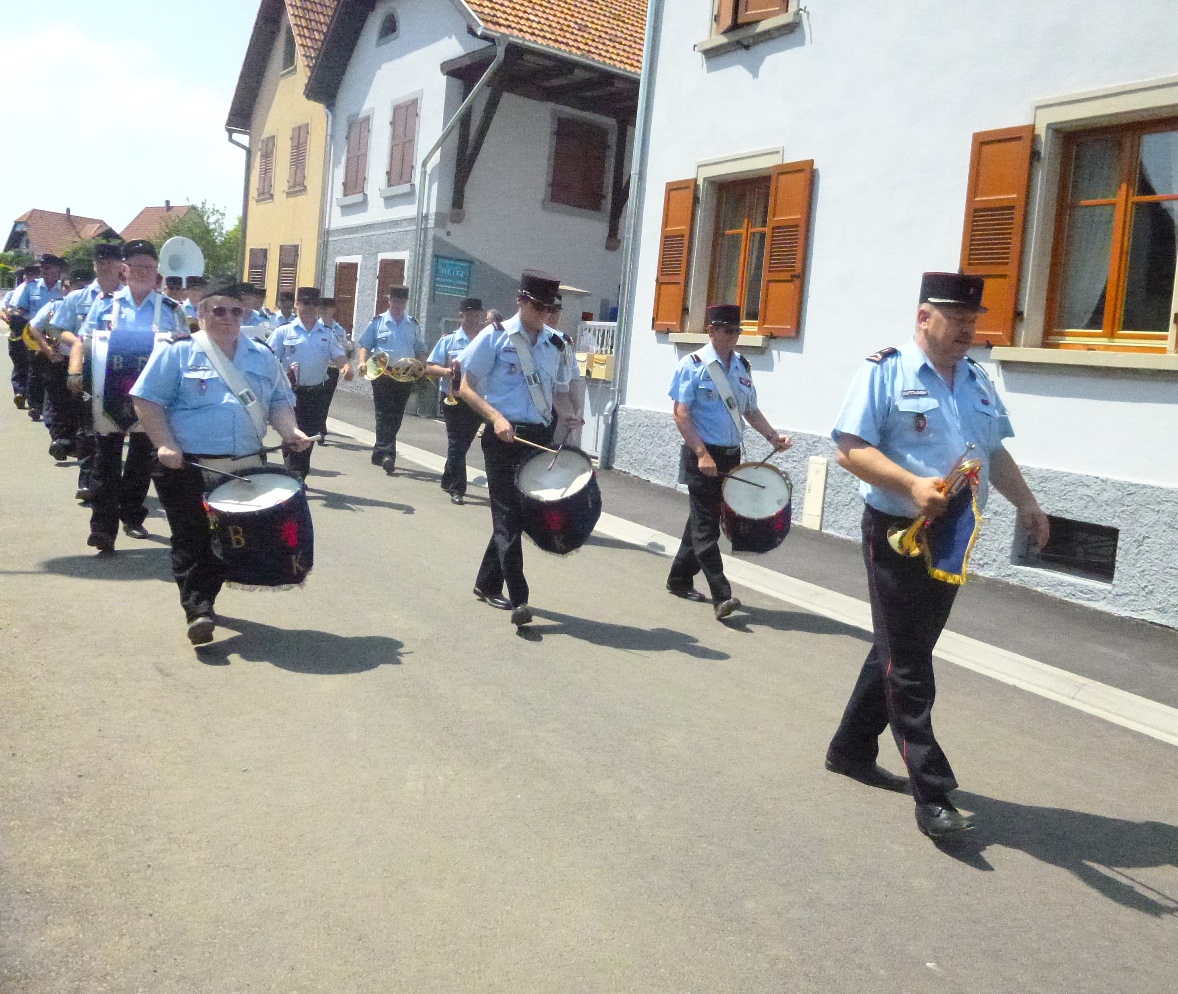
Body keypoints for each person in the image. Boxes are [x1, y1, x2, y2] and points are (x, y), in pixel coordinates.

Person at [825, 272, 1051, 841]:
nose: (968, 331)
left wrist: (1027, 503)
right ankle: (932, 791)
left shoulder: (976, 379)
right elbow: (850, 447)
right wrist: (910, 484)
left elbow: (992, 451)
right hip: (897, 528)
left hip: (951, 533)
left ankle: (851, 748)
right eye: (958, 321)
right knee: (910, 661)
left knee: (905, 646)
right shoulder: (884, 370)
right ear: (925, 317)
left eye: (974, 321)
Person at [131, 276, 313, 645]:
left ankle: (205, 598)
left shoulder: (261, 355)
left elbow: (279, 402)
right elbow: (146, 401)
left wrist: (291, 432)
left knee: (227, 541)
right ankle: (197, 610)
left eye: (235, 311)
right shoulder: (177, 351)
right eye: (218, 310)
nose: (227, 317)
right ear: (200, 312)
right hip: (186, 465)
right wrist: (165, 444)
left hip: (243, 466)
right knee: (191, 537)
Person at [457, 270, 572, 627]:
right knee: (506, 514)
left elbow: (561, 392)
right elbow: (465, 386)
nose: (543, 314)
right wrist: (494, 417)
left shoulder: (557, 344)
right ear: (520, 301)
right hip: (503, 436)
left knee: (522, 516)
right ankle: (520, 598)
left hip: (537, 436)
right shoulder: (494, 337)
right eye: (537, 306)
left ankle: (486, 582)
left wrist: (569, 421)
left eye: (548, 308)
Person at [666, 304, 792, 620]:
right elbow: (680, 414)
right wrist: (701, 454)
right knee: (707, 526)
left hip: (730, 456)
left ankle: (679, 578)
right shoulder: (692, 365)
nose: (732, 337)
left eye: (736, 331)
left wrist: (773, 437)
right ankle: (722, 595)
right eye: (725, 330)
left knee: (701, 518)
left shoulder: (741, 367)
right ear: (711, 330)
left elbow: (750, 410)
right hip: (703, 455)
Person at [79, 239, 189, 552]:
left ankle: (132, 516)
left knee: (141, 463)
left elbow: (183, 351)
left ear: (157, 273)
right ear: (124, 270)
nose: (142, 272)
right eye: (136, 266)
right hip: (109, 397)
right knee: (105, 463)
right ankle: (102, 528)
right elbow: (88, 344)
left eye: (149, 267)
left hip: (152, 400)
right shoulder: (104, 304)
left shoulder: (171, 310)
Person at [57, 242, 125, 499]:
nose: (105, 266)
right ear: (94, 265)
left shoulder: (130, 298)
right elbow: (56, 329)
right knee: (89, 429)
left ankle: (113, 484)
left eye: (111, 261)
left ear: (120, 265)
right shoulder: (79, 297)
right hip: (88, 370)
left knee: (118, 430)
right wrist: (76, 342)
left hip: (120, 372)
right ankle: (87, 479)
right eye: (100, 262)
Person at [267, 286, 352, 478]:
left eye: (314, 304)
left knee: (311, 433)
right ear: (297, 304)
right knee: (293, 433)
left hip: (315, 393)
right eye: (305, 303)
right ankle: (294, 473)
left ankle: (299, 472)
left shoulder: (326, 333)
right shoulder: (283, 332)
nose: (309, 308)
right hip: (291, 392)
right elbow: (268, 358)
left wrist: (346, 366)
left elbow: (338, 355)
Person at [356, 284, 426, 474]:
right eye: (395, 300)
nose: (398, 304)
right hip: (383, 374)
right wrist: (362, 362)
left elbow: (420, 349)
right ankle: (388, 455)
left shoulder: (412, 324)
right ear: (389, 300)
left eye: (402, 301)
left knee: (396, 415)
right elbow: (364, 344)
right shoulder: (378, 322)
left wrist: (421, 365)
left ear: (406, 303)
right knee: (383, 412)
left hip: (405, 375)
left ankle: (379, 452)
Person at [426, 296, 485, 504]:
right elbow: (429, 367)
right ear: (461, 316)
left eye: (477, 315)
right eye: (469, 315)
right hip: (453, 397)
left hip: (477, 399)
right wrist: (447, 371)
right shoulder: (449, 340)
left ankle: (447, 477)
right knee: (457, 443)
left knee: (463, 444)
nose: (473, 319)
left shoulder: (485, 340)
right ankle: (458, 488)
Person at [11, 255, 65, 420]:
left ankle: (50, 404)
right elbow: (18, 309)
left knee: (54, 370)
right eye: (43, 268)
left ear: (58, 270)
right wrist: (26, 319)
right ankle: (34, 405)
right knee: (35, 370)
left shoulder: (64, 289)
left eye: (48, 267)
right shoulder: (31, 287)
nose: (45, 271)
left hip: (57, 335)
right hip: (35, 334)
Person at [548, 296, 587, 448]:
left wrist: (578, 411)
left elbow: (573, 379)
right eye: (551, 312)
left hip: (560, 414)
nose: (555, 317)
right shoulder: (531, 340)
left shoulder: (564, 342)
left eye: (558, 312)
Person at [317, 295, 352, 432]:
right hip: (319, 367)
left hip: (332, 368)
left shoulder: (339, 330)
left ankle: (321, 424)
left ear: (333, 310)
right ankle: (318, 425)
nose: (325, 311)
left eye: (328, 308)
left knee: (327, 399)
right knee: (317, 398)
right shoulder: (316, 326)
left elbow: (343, 349)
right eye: (323, 308)